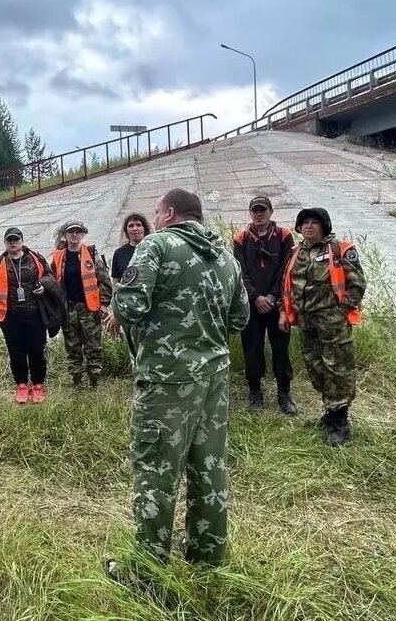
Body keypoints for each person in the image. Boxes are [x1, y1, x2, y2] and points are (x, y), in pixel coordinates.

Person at [106, 188, 250, 577]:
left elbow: (132, 305)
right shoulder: (225, 257)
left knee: (156, 470)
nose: (154, 217)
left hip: (167, 382)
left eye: (156, 211)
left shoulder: (157, 245)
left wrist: (118, 305)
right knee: (209, 467)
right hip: (214, 379)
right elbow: (240, 318)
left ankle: (145, 571)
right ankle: (208, 555)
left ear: (168, 213)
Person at [279, 207, 366, 446]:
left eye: (314, 222)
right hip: (306, 323)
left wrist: (341, 311)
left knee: (337, 369)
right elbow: (286, 285)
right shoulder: (297, 252)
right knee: (317, 370)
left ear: (324, 226)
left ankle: (340, 422)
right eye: (304, 222)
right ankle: (330, 413)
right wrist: (284, 313)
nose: (308, 226)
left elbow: (357, 285)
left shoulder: (339, 250)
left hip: (332, 323)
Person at [232, 196, 296, 414]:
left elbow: (287, 269)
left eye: (262, 210)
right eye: (255, 211)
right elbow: (240, 272)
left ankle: (284, 394)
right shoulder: (241, 239)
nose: (258, 214)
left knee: (281, 349)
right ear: (250, 213)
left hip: (277, 305)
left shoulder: (284, 236)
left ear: (271, 211)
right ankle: (255, 393)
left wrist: (271, 296)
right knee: (252, 349)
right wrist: (255, 297)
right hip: (252, 305)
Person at [0, 227, 53, 404]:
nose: (13, 243)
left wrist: (44, 285)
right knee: (16, 352)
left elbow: (50, 276)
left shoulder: (36, 258)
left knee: (37, 350)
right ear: (5, 243)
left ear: (22, 241)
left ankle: (37, 385)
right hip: (10, 317)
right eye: (9, 240)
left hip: (35, 314)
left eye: (16, 239)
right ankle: (21, 385)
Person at [49, 220, 113, 388]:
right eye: (71, 232)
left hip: (89, 308)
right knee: (72, 346)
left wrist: (104, 304)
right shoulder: (58, 256)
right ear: (65, 235)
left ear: (83, 234)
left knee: (93, 345)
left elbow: (104, 280)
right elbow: (51, 281)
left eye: (78, 232)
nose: (74, 235)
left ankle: (94, 380)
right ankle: (76, 380)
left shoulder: (91, 253)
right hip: (68, 308)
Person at [111, 213, 151, 360]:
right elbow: (116, 284)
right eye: (131, 225)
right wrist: (116, 310)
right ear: (126, 230)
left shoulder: (153, 249)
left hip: (150, 307)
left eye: (139, 225)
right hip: (128, 308)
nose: (135, 228)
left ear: (145, 228)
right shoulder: (120, 253)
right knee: (133, 346)